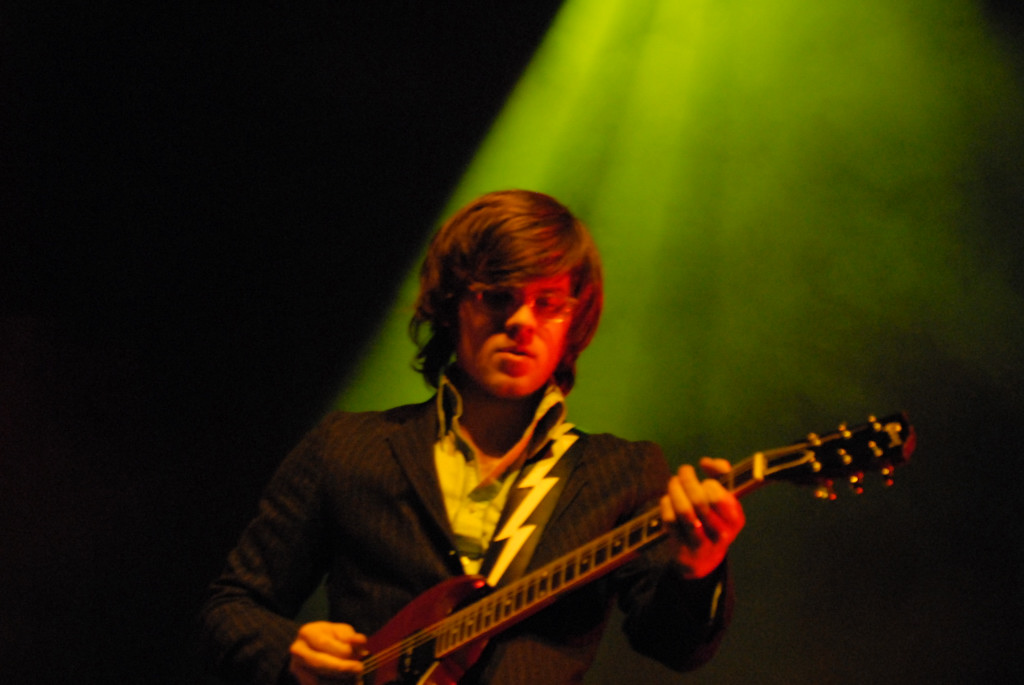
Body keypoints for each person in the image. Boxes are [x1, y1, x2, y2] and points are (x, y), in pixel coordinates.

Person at [198, 189, 746, 684]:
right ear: (451, 304)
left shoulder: (622, 472)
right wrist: (290, 651)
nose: (522, 321)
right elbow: (232, 605)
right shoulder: (346, 446)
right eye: (497, 296)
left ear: (573, 322)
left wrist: (698, 565)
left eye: (549, 303)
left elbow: (675, 647)